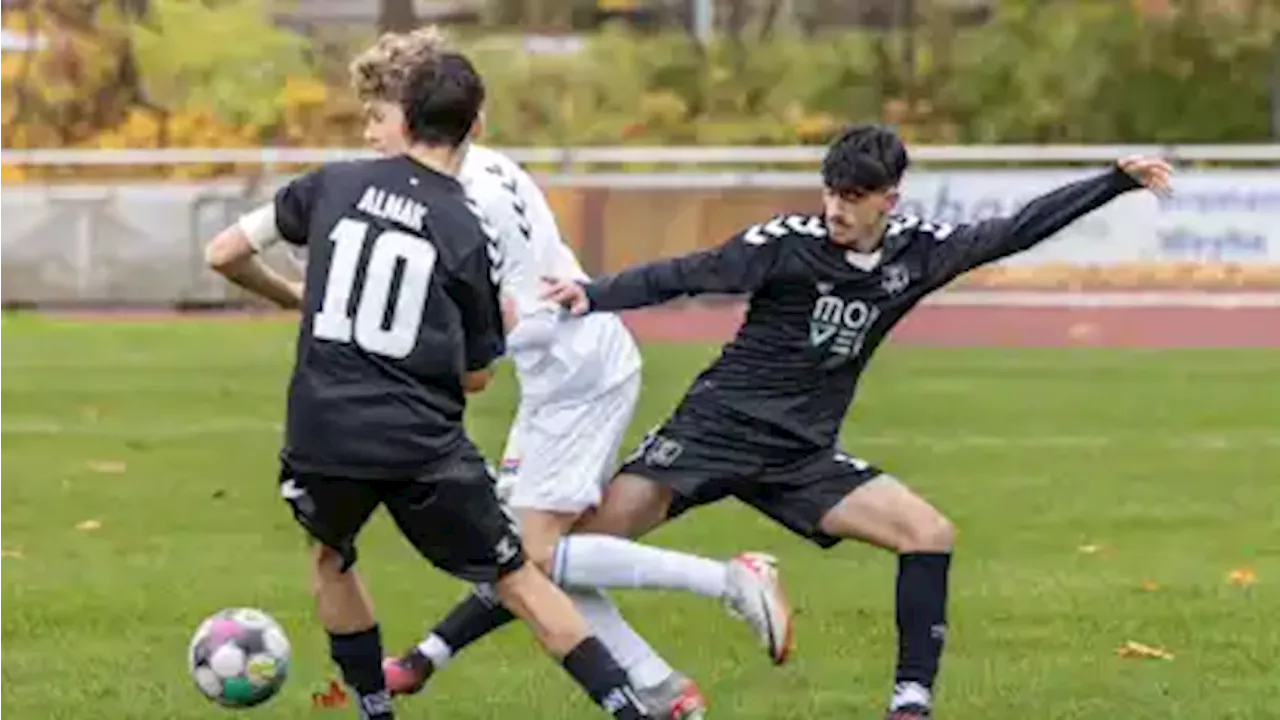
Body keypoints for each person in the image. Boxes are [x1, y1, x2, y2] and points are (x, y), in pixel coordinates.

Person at [523, 125, 1170, 719]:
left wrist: (1113, 182)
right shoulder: (785, 245)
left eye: (854, 196)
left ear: (888, 199)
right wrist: (595, 294)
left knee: (928, 533)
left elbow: (1016, 229)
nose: (836, 207)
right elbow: (688, 274)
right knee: (560, 556)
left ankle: (910, 703)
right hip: (713, 431)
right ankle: (432, 653)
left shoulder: (919, 254)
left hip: (801, 455)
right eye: (832, 191)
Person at [344, 28, 792, 718]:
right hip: (566, 371)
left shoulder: (464, 202)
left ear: (413, 118)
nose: (367, 133)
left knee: (533, 557)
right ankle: (663, 690)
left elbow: (516, 311)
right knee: (534, 555)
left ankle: (731, 582)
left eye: (375, 117)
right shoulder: (479, 167)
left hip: (578, 372)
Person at [203, 49, 660, 720]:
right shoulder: (463, 229)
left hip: (323, 432)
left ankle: (373, 709)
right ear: (475, 124)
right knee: (514, 580)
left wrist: (294, 298)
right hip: (422, 445)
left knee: (331, 556)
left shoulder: (331, 183)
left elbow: (224, 253)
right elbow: (475, 377)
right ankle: (628, 707)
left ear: (404, 114)